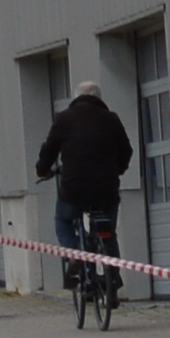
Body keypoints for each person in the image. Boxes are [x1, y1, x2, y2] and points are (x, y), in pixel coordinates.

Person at [30, 77, 134, 314]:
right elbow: (126, 151)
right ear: (99, 99)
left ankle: (75, 255)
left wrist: (42, 170)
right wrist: (117, 169)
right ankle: (113, 284)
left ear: (76, 98)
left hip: (73, 188)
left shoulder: (64, 119)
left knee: (63, 221)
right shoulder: (111, 119)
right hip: (106, 188)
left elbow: (49, 150)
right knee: (109, 233)